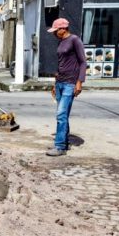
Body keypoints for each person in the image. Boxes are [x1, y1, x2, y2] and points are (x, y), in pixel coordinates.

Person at [47, 18, 85, 157]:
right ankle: (64, 141)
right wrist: (54, 84)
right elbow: (61, 64)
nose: (54, 34)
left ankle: (60, 146)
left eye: (55, 31)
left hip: (70, 83)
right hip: (60, 83)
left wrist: (80, 82)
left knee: (61, 114)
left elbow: (82, 62)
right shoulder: (61, 42)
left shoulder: (75, 40)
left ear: (63, 29)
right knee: (63, 115)